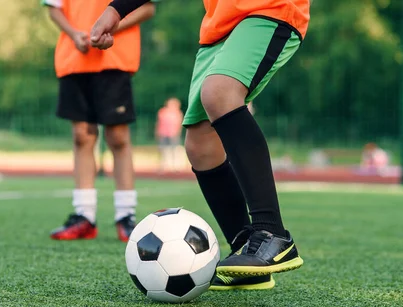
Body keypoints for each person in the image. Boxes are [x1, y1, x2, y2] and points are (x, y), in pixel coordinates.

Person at [90, 0, 309, 289]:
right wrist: (117, 9)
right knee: (200, 146)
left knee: (220, 93)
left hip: (268, 9)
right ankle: (245, 249)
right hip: (218, 26)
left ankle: (272, 234)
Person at [42, 0, 156, 242]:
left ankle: (126, 215)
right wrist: (74, 35)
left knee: (118, 137)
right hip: (75, 58)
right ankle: (84, 215)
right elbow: (54, 8)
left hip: (114, 58)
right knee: (82, 136)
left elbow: (147, 7)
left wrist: (110, 28)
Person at [155, 98, 184, 172]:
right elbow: (159, 123)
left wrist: (177, 133)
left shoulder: (178, 113)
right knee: (163, 149)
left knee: (174, 150)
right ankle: (163, 166)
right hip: (163, 133)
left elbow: (179, 124)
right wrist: (157, 132)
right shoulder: (162, 112)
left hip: (173, 134)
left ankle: (175, 166)